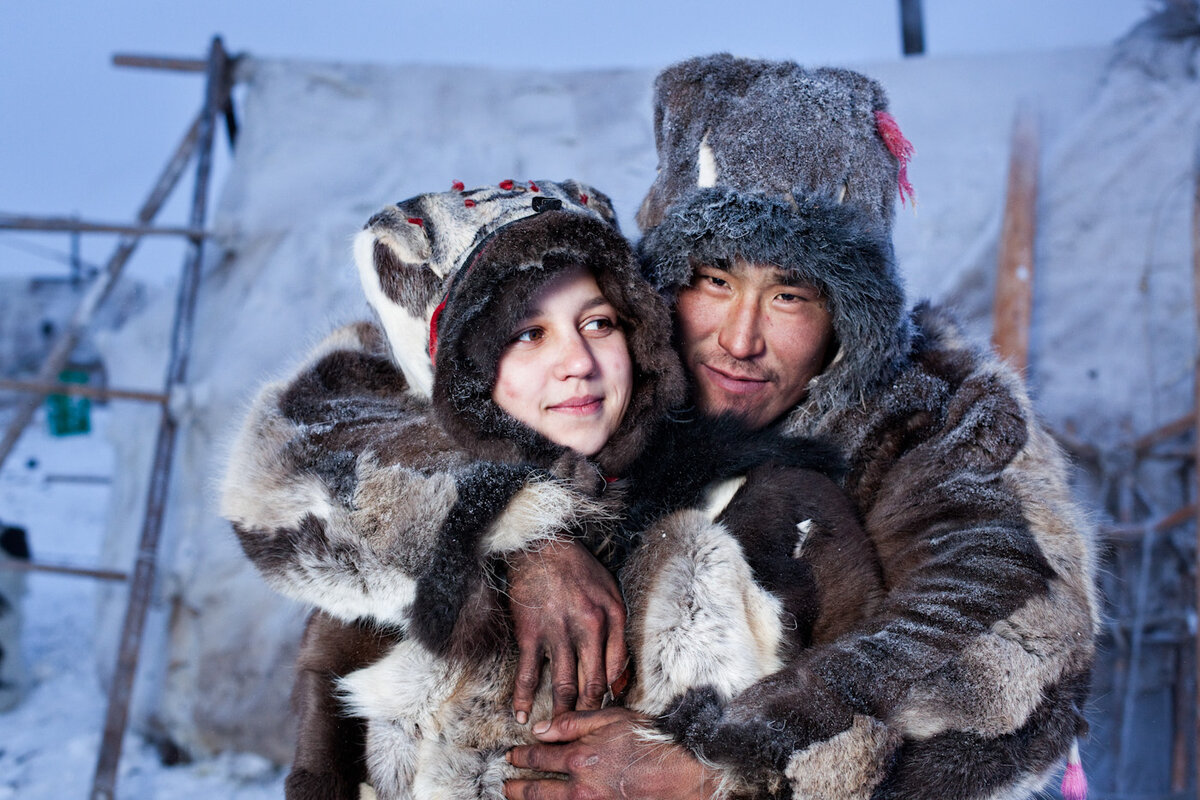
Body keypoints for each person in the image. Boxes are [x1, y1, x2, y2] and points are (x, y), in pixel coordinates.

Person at [501, 55, 1098, 800]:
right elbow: (362, 423)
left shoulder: (930, 421)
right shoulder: (594, 361)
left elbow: (1010, 649)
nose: (740, 339)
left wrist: (720, 771)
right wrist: (525, 532)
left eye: (789, 295)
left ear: (847, 317)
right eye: (714, 280)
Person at [222, 179, 881, 799]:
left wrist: (717, 776)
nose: (577, 362)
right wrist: (528, 532)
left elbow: (872, 738)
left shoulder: (775, 510)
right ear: (467, 373)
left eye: (598, 324)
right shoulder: (399, 569)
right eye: (528, 334)